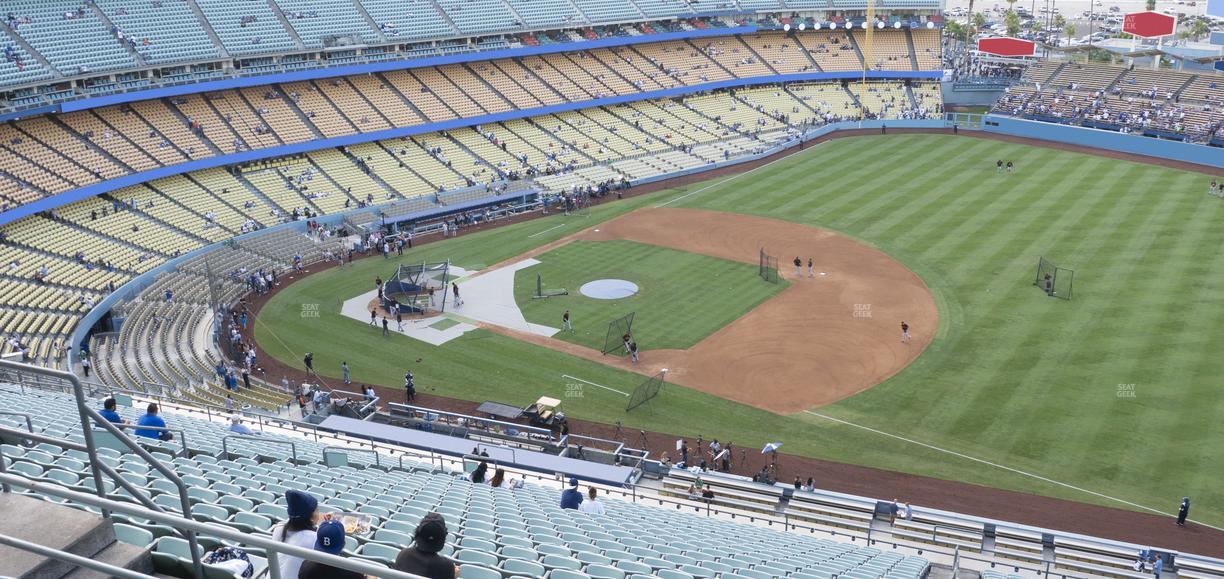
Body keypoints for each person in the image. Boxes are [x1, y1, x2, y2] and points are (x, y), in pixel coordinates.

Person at [272, 490, 321, 579]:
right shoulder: (313, 538)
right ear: (311, 516)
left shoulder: (279, 528)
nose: (319, 512)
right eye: (317, 509)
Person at [393, 513, 457, 579]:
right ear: (443, 538)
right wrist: (454, 575)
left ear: (418, 534)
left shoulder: (403, 555)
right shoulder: (446, 567)